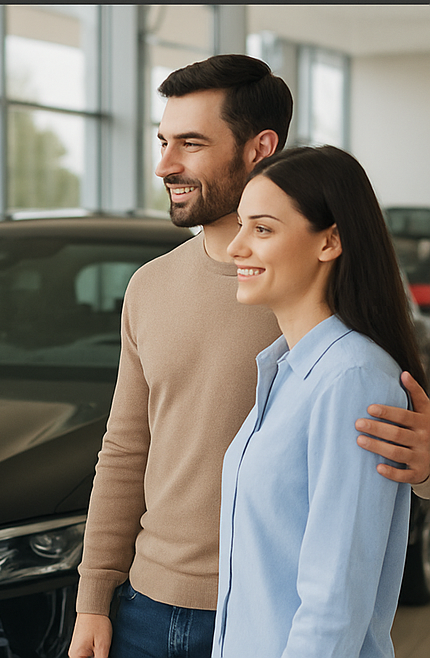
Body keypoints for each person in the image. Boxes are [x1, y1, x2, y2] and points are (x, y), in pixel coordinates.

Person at [68, 54, 430, 658]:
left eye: (190, 143)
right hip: (144, 607)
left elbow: (359, 517)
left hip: (272, 613)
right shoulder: (149, 288)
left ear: (259, 146)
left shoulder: (319, 313)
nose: (166, 165)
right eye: (162, 141)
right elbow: (126, 448)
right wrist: (94, 596)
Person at [213, 145, 421, 657]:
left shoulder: (351, 379)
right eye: (240, 226)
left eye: (262, 229)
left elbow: (335, 602)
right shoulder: (287, 370)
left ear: (330, 241)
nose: (235, 247)